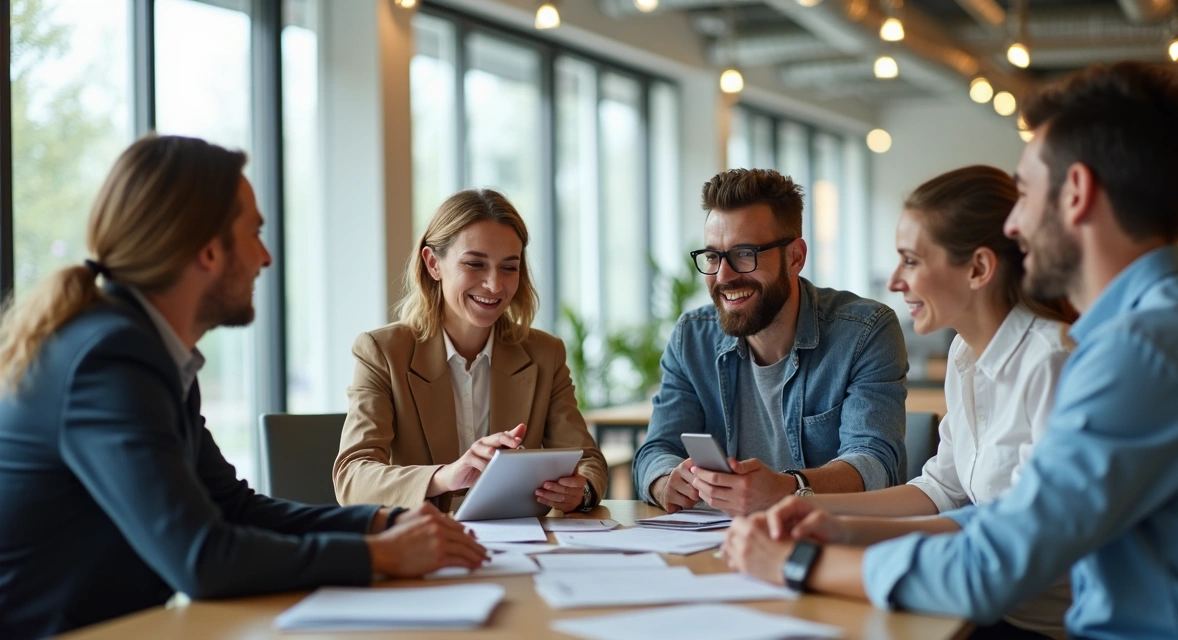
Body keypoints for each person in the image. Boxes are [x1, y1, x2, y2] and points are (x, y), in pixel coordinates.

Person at [723, 61, 1178, 638]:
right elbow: (994, 516)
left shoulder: (1138, 352)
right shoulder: (1175, 322)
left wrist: (799, 563)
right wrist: (837, 522)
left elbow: (995, 561)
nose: (1015, 223)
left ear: (1076, 193)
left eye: (1026, 193)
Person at [0, 135, 487, 640]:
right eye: (254, 233)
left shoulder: (147, 352)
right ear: (209, 250)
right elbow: (203, 559)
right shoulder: (110, 360)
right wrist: (378, 555)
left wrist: (379, 523)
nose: (266, 258)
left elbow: (236, 509)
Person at [785, 165, 1077, 639]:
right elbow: (941, 491)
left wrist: (838, 538)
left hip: (1038, 624)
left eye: (911, 261)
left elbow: (1016, 532)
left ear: (979, 268)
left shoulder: (1052, 362)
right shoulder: (965, 353)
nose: (895, 282)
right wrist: (818, 508)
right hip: (976, 608)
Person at [632, 168, 907, 517]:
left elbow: (875, 462)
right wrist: (665, 481)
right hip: (717, 545)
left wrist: (788, 489)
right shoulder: (692, 337)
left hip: (831, 540)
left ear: (795, 257)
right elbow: (656, 450)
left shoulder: (864, 332)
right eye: (714, 256)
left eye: (744, 254)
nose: (723, 276)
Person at [333, 189, 607, 514]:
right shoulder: (382, 353)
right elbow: (352, 477)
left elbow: (587, 461)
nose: (494, 285)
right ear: (433, 263)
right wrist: (446, 476)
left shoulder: (545, 354)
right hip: (424, 543)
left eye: (509, 267)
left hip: (519, 544)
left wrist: (581, 491)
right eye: (475, 264)